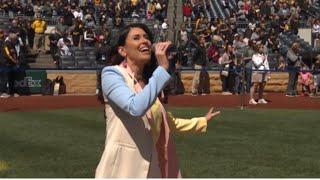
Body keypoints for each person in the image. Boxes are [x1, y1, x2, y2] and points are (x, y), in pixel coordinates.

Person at [95, 23, 220, 178]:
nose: (145, 41)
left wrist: (202, 120)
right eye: (136, 37)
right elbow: (135, 107)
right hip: (122, 169)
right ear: (122, 50)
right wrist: (162, 69)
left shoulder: (149, 84)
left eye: (146, 37)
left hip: (152, 168)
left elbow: (167, 122)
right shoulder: (112, 74)